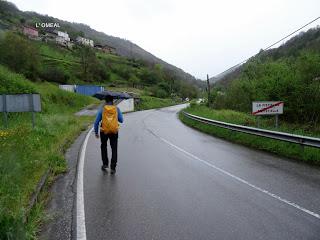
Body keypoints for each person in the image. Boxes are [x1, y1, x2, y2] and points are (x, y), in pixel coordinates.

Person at [94, 96, 123, 174]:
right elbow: (121, 120)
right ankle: (113, 168)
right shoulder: (116, 109)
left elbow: (96, 122)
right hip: (114, 131)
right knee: (114, 148)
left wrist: (96, 132)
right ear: (112, 101)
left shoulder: (102, 109)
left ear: (105, 101)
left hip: (104, 131)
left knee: (103, 147)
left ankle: (105, 164)